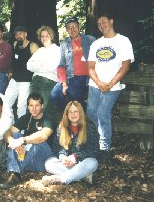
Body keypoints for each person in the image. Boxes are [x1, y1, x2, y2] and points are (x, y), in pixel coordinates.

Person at [86, 13, 135, 164]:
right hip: (95, 85)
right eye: (99, 24)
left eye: (104, 22)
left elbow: (125, 66)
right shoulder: (96, 43)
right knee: (91, 112)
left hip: (113, 86)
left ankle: (104, 148)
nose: (101, 25)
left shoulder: (123, 41)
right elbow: (91, 67)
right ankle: (97, 139)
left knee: (102, 112)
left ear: (111, 21)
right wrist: (99, 83)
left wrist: (111, 83)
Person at [0, 93, 54, 189]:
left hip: (44, 160)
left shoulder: (48, 118)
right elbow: (6, 133)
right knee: (15, 135)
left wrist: (23, 140)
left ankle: (14, 172)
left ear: (42, 106)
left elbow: (44, 136)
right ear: (28, 107)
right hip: (29, 161)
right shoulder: (25, 118)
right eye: (31, 105)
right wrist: (12, 141)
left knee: (37, 140)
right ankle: (14, 171)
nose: (34, 108)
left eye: (37, 105)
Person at [41, 101, 98, 186]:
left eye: (76, 111)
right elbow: (57, 147)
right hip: (67, 164)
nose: (73, 114)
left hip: (82, 162)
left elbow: (93, 150)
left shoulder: (90, 127)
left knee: (93, 162)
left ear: (80, 113)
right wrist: (62, 157)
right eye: (70, 112)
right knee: (48, 163)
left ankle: (61, 179)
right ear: (66, 114)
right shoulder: (61, 127)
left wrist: (75, 157)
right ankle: (82, 175)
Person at [50, 17, 96, 111]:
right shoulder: (64, 44)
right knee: (55, 95)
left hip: (85, 77)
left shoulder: (90, 40)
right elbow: (61, 65)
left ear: (79, 26)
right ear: (67, 30)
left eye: (74, 26)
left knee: (72, 93)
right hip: (69, 77)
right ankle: (75, 113)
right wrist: (63, 83)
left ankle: (87, 113)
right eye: (69, 27)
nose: (72, 29)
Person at [5, 26, 39, 118]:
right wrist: (11, 71)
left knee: (21, 107)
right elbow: (14, 61)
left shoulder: (33, 46)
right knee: (6, 103)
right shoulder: (15, 44)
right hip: (14, 80)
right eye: (16, 34)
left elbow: (39, 63)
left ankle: (21, 130)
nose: (18, 36)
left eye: (20, 33)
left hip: (26, 81)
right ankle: (10, 124)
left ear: (26, 34)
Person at [27, 26, 60, 116]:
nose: (44, 38)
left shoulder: (57, 50)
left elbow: (51, 67)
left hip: (48, 81)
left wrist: (37, 65)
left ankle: (47, 129)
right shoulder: (40, 50)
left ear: (51, 36)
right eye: (42, 36)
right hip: (35, 81)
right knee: (31, 108)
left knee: (45, 108)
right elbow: (29, 65)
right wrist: (43, 64)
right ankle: (32, 128)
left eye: (47, 35)